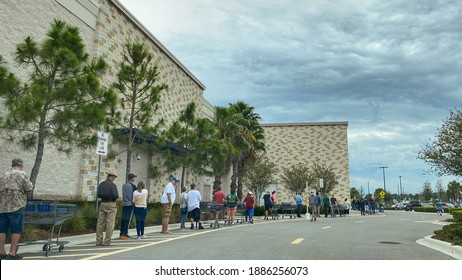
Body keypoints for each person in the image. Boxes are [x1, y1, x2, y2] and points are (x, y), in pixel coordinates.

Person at [0, 158, 33, 260]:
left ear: (12, 165)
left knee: (1, 230)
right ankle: (12, 253)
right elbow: (29, 188)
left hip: (2, 207)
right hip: (16, 206)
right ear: (21, 166)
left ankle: (1, 253)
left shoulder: (4, 175)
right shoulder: (22, 174)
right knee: (16, 230)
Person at [96, 170, 119, 246]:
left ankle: (98, 241)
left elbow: (98, 195)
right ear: (111, 176)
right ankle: (107, 241)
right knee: (110, 224)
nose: (114, 178)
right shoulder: (113, 185)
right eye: (114, 177)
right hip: (111, 204)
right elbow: (116, 196)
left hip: (102, 203)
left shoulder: (101, 184)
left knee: (100, 223)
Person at [119, 173, 137, 239]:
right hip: (130, 204)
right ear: (132, 178)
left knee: (123, 219)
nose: (134, 179)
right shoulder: (133, 187)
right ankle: (125, 233)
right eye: (134, 178)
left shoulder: (124, 185)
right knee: (128, 219)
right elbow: (135, 196)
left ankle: (121, 233)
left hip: (124, 203)